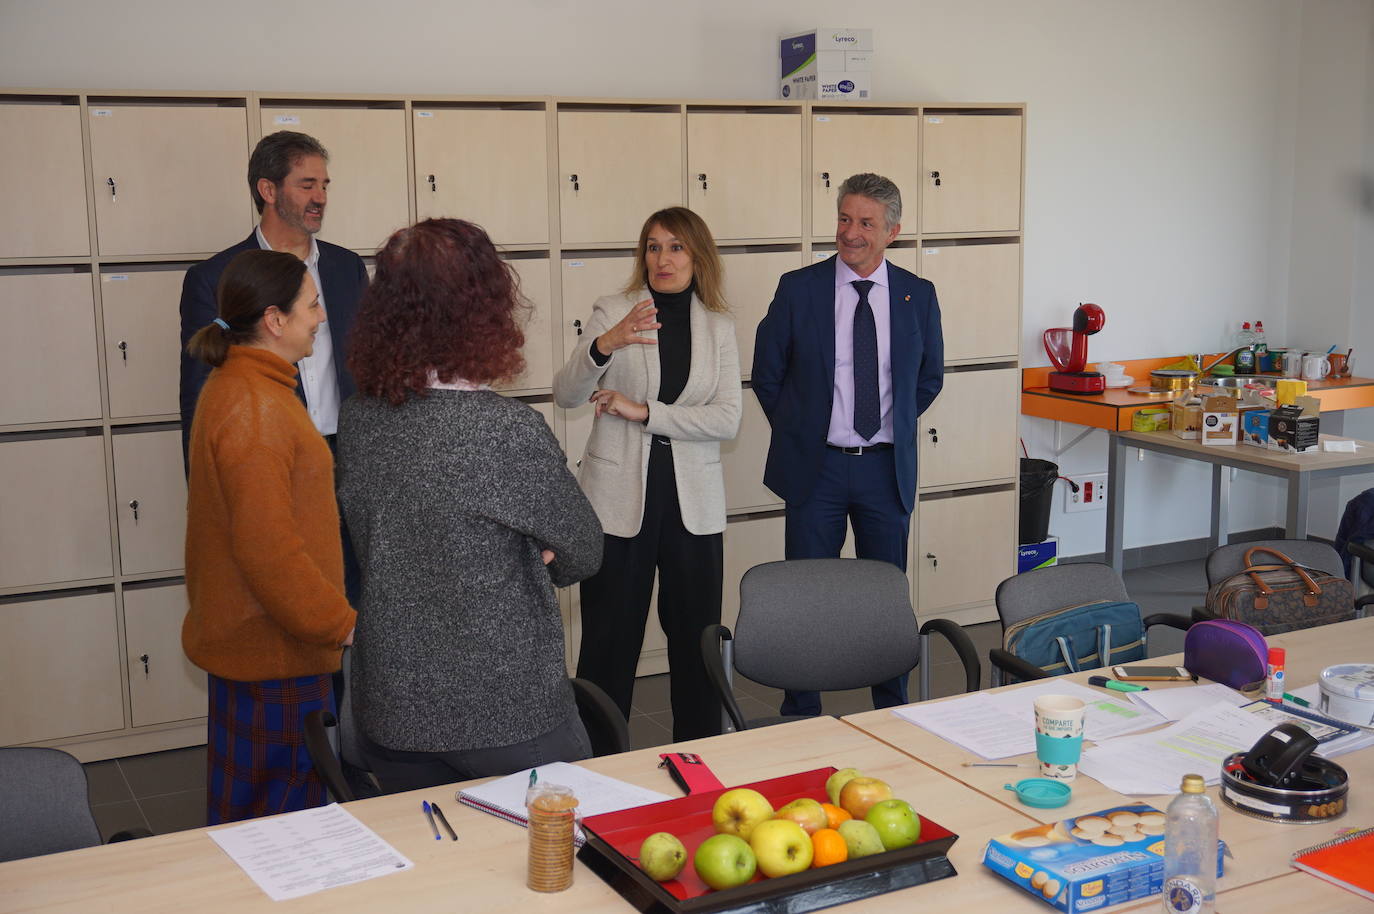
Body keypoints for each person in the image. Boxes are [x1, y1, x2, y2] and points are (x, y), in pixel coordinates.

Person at [338, 218, 603, 792]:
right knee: (561, 857)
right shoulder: (506, 431)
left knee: (436, 866)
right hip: (506, 712)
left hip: (392, 708)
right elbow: (584, 551)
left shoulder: (359, 418)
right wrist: (538, 552)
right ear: (486, 309)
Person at [752, 172, 944, 717]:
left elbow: (928, 378)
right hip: (818, 471)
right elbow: (768, 373)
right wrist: (800, 431)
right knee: (806, 597)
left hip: (886, 470)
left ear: (893, 232)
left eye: (865, 223)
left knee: (885, 599)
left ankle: (891, 708)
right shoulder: (800, 287)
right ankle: (801, 711)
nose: (850, 233)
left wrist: (891, 425)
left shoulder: (917, 294)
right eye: (844, 218)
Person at [553, 206, 741, 742]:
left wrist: (645, 412)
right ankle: (600, 757)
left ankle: (697, 755)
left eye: (677, 247)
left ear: (698, 255)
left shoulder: (719, 327)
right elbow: (566, 392)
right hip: (617, 502)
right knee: (609, 643)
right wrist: (604, 344)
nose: (663, 258)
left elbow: (727, 419)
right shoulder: (614, 310)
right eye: (653, 246)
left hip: (693, 507)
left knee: (695, 642)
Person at [182, 249, 356, 825]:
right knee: (285, 832)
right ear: (275, 320)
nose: (322, 317)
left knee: (252, 824)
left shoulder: (239, 386)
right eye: (312, 306)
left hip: (263, 647)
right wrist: (342, 624)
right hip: (277, 656)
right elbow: (269, 553)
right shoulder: (257, 410)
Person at [178, 130, 368, 599]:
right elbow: (202, 399)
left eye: (325, 185)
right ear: (268, 190)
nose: (320, 197)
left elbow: (369, 369)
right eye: (306, 185)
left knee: (359, 609)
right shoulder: (215, 278)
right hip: (272, 464)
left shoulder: (347, 268)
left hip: (353, 459)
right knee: (289, 598)